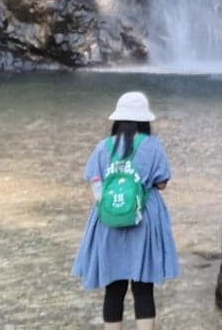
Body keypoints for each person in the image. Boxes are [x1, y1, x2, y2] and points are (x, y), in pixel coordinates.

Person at [72, 91, 180, 329]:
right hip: (144, 220)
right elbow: (162, 182)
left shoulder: (103, 147)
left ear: (118, 120)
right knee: (143, 288)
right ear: (144, 120)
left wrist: (110, 206)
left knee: (114, 289)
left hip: (108, 222)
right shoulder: (153, 146)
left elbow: (95, 182)